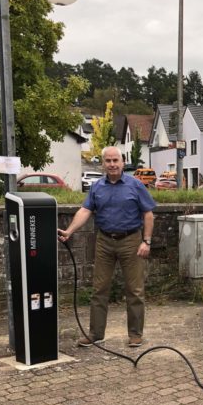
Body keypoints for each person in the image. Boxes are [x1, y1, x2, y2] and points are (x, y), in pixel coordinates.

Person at [58, 146, 156, 348]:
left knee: (135, 290)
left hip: (131, 241)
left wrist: (146, 241)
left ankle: (135, 334)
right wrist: (69, 231)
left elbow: (148, 214)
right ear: (103, 163)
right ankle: (95, 334)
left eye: (115, 161)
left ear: (122, 162)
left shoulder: (136, 185)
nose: (112, 164)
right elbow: (85, 210)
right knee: (99, 289)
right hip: (104, 241)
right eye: (108, 161)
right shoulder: (97, 187)